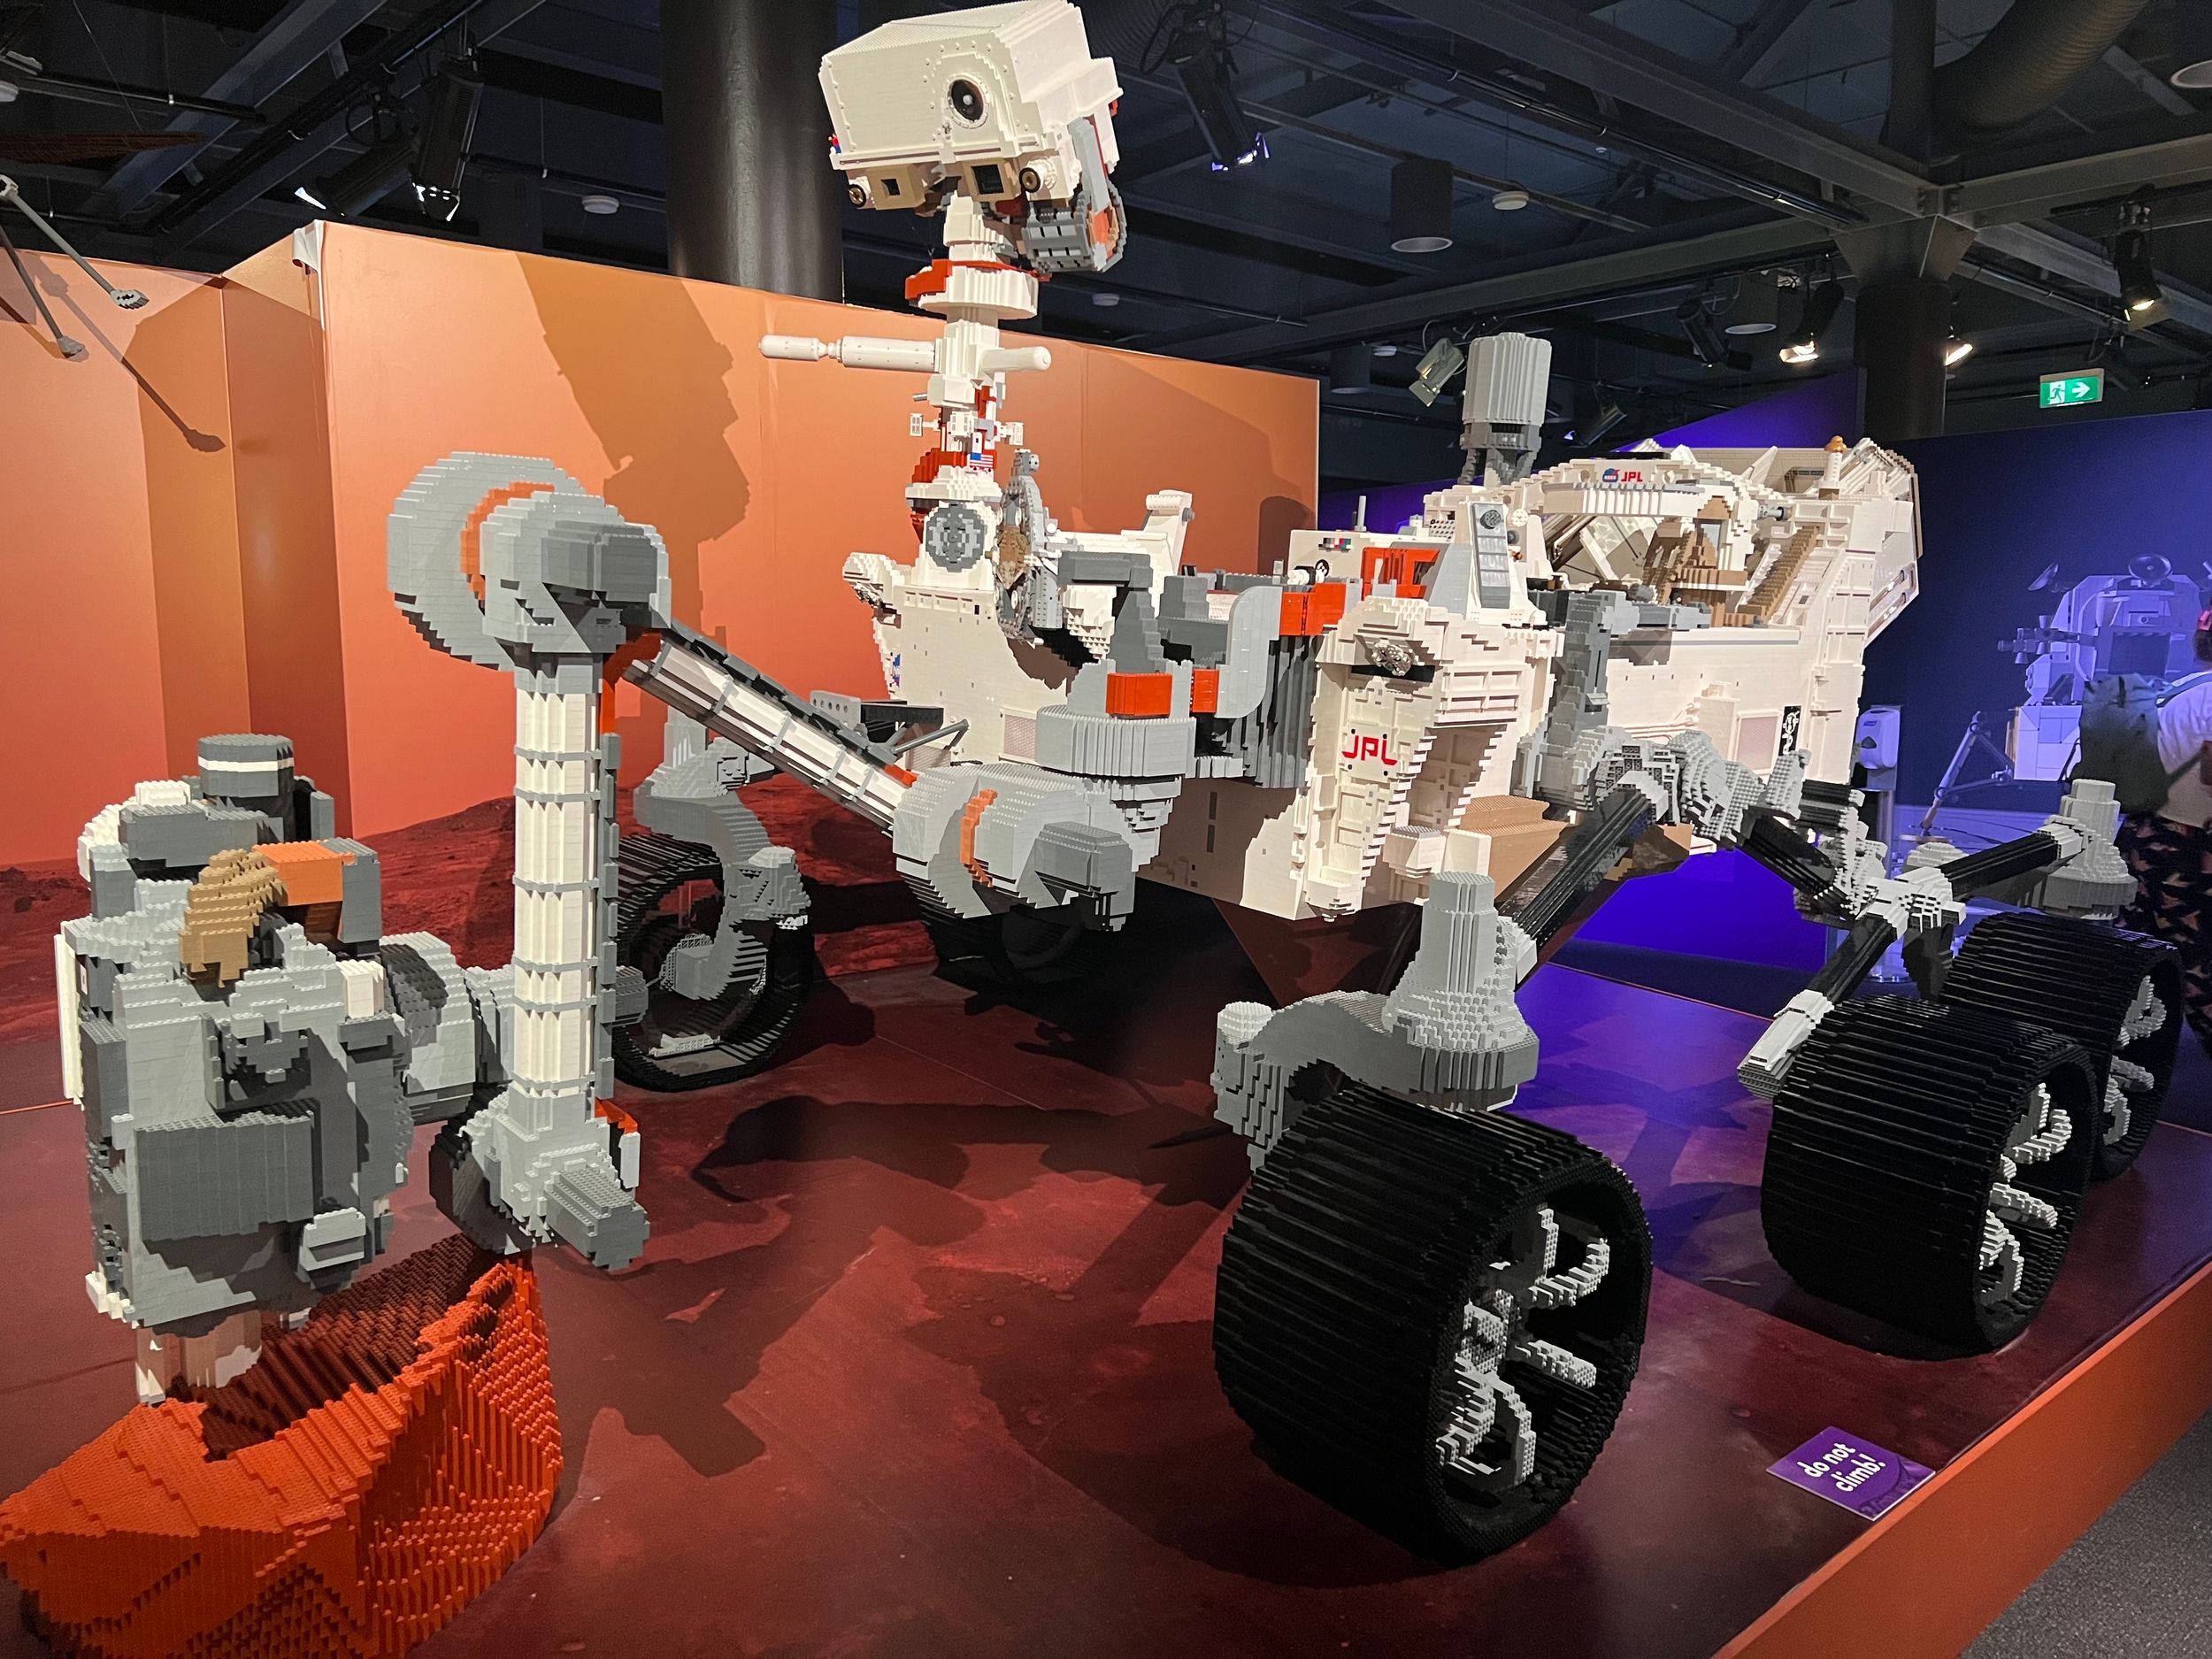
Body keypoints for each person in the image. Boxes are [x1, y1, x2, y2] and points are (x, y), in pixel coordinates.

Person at [2116, 609, 2212, 1056]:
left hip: (2147, 839)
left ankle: (2121, 1063)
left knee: (2135, 960)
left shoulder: (2179, 692)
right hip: (2190, 852)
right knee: (2200, 972)